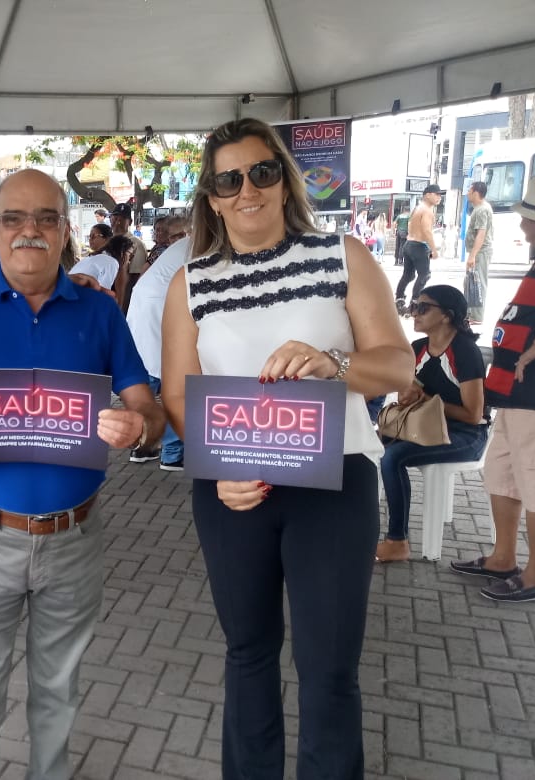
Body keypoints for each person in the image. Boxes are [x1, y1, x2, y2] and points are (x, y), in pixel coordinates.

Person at [160, 118, 413, 778]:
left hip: (335, 483)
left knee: (329, 666)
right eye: (229, 179)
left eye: (262, 172)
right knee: (248, 651)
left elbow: (398, 366)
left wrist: (335, 361)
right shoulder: (191, 283)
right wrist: (216, 468)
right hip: (234, 491)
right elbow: (181, 396)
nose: (248, 189)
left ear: (285, 179)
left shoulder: (342, 255)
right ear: (212, 196)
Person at [0, 169, 164, 780]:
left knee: (57, 694)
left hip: (75, 540)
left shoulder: (100, 315)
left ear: (65, 230)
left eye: (47, 218)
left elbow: (149, 411)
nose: (31, 230)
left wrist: (137, 427)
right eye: (15, 218)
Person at [450, 177, 535, 601]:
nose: (523, 227)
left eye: (528, 219)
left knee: (533, 480)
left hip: (533, 395)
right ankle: (503, 556)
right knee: (501, 473)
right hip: (514, 395)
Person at [374, 286, 489, 562]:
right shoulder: (418, 349)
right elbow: (408, 394)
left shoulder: (464, 351)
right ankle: (355, 522)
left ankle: (397, 540)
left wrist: (427, 399)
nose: (414, 312)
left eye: (423, 307)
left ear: (446, 316)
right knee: (367, 444)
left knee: (393, 457)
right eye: (414, 305)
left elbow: (474, 415)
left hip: (467, 435)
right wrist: (407, 395)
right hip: (425, 426)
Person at [127, 231, 192, 471]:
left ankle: (143, 446)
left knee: (150, 376)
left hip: (146, 304)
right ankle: (172, 454)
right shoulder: (210, 243)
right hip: (161, 306)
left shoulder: (185, 244)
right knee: (173, 378)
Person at [395, 184, 442, 315]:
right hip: (419, 245)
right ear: (427, 195)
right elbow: (427, 231)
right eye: (436, 194)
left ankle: (399, 299)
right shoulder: (427, 210)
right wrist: (434, 249)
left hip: (409, 244)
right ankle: (414, 304)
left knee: (408, 275)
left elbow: (411, 225)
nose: (439, 197)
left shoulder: (417, 208)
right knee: (425, 275)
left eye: (440, 195)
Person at [464, 181, 494, 324]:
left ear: (476, 193)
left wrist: (473, 255)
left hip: (481, 252)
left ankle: (476, 316)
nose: (467, 194)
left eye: (469, 191)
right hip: (478, 251)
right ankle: (470, 313)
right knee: (470, 282)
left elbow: (481, 234)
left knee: (478, 283)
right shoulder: (479, 208)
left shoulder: (482, 209)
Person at [109, 202, 147, 312]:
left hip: (123, 300)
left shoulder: (136, 244)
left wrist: (123, 306)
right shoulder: (107, 242)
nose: (118, 221)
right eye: (115, 217)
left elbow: (135, 278)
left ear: (129, 222)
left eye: (122, 218)